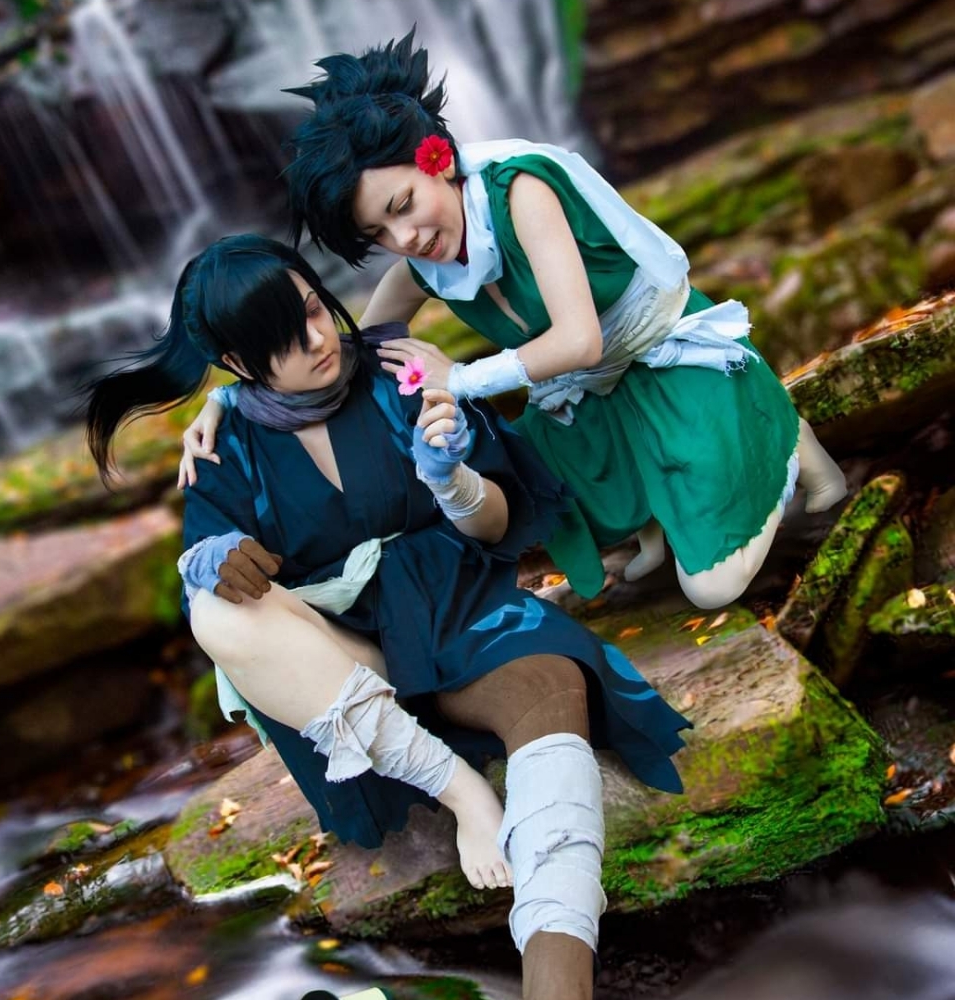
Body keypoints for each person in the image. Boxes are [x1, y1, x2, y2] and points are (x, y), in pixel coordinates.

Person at [84, 235, 690, 1000]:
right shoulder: (226, 442)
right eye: (283, 339)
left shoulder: (399, 371)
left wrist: (453, 479)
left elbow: (501, 525)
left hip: (464, 620)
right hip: (348, 674)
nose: (317, 340)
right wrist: (218, 556)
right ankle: (462, 791)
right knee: (216, 613)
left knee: (551, 690)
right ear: (237, 363)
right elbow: (210, 568)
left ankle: (556, 977)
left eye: (313, 310)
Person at [181, 32, 848, 610]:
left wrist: (461, 379)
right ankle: (661, 515)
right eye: (378, 232)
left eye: (404, 204)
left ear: (437, 159)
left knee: (712, 591)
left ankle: (774, 428)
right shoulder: (425, 265)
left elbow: (580, 341)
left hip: (662, 356)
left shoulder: (522, 192)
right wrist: (234, 398)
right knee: (526, 466)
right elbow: (350, 350)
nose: (405, 238)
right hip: (595, 397)